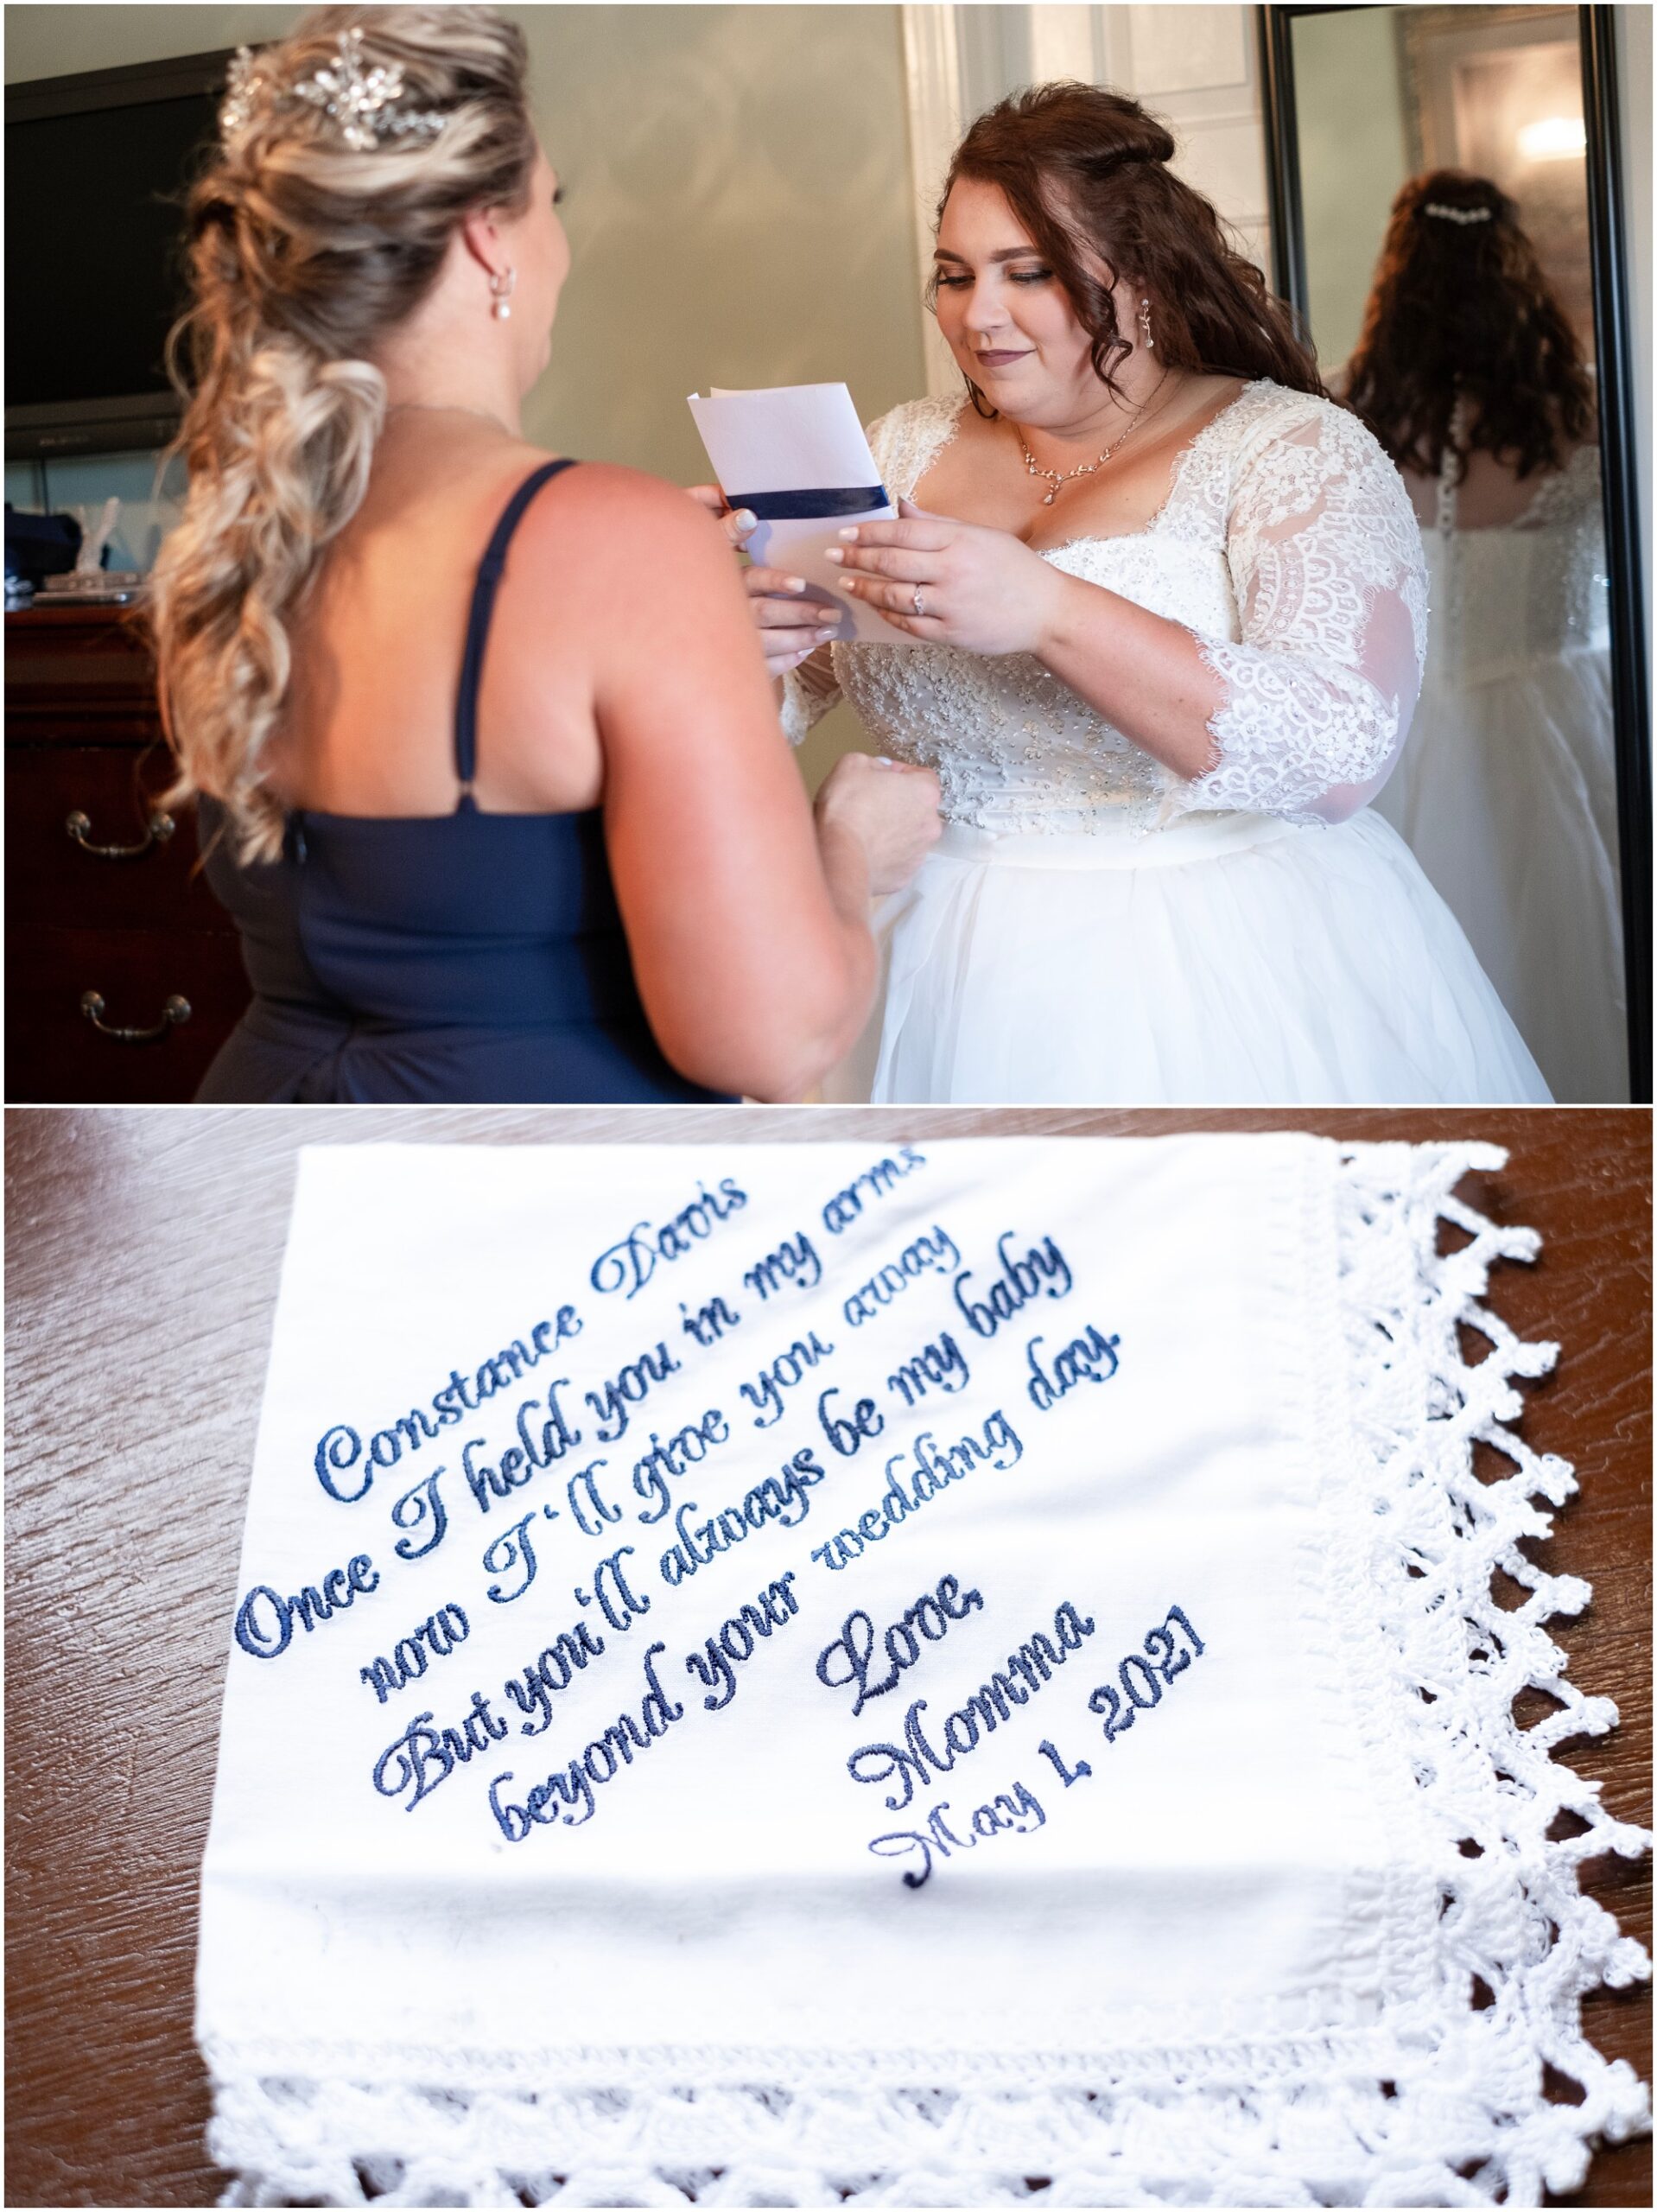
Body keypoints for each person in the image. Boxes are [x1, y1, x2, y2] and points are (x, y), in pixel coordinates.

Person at [148, 5, 938, 1103]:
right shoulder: (620, 543)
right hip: (531, 1219)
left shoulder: (234, 535)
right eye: (549, 203)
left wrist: (659, 608)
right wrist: (850, 848)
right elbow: (777, 1039)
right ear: (488, 240)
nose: (558, 241)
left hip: (265, 1189)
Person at [720, 86, 1547, 1103]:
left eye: (1030, 272)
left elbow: (1342, 755)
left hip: (1218, 966)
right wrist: (739, 635)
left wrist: (1052, 612)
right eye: (953, 274)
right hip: (926, 951)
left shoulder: (1287, 450)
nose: (978, 315)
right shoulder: (901, 445)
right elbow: (787, 700)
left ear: (1145, 274)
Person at [1343, 170, 1626, 1103]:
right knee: (1565, 954)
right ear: (1516, 273)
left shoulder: (1353, 416)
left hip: (1397, 735)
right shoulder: (1579, 411)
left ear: (1399, 276)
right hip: (1553, 722)